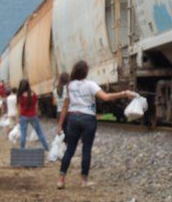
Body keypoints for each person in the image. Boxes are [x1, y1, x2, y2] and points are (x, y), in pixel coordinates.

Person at [56, 61, 136, 189]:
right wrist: (124, 93)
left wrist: (60, 124)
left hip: (73, 118)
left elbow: (65, 106)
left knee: (70, 149)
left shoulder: (69, 86)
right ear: (85, 72)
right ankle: (84, 181)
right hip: (88, 118)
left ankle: (61, 180)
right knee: (86, 149)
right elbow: (105, 97)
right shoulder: (90, 85)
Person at [17, 79, 49, 151]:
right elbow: (36, 106)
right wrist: (36, 115)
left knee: (23, 135)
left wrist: (19, 118)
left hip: (24, 117)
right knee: (39, 133)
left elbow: (19, 108)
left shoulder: (20, 96)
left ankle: (22, 150)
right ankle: (46, 148)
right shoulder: (33, 94)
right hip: (33, 116)